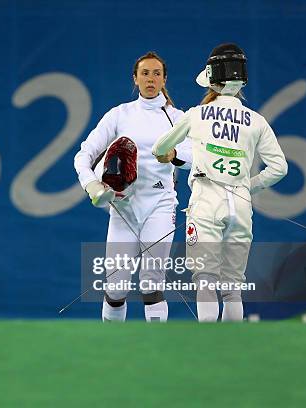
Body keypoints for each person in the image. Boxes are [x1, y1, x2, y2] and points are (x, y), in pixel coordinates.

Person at [152, 43, 288, 322]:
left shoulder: (196, 114)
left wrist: (165, 155)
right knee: (233, 288)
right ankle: (231, 352)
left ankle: (210, 347)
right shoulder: (257, 121)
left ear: (212, 78)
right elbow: (279, 168)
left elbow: (159, 147)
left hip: (206, 201)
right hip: (241, 205)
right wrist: (248, 186)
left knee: (205, 280)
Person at [74, 51, 192, 322]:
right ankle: (116, 353)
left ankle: (155, 354)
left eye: (156, 74)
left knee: (152, 282)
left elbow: (196, 157)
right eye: (145, 73)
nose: (151, 79)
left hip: (161, 205)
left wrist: (175, 156)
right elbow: (84, 155)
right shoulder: (119, 114)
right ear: (135, 79)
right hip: (124, 207)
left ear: (164, 80)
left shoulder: (178, 118)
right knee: (115, 288)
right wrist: (91, 184)